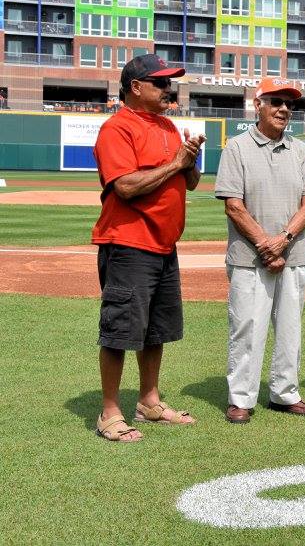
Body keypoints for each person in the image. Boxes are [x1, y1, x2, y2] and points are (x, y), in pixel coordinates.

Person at [91, 54, 203, 442]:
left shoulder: (169, 127)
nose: (168, 90)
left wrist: (189, 160)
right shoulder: (117, 129)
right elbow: (125, 187)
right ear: (136, 87)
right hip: (127, 244)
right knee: (120, 330)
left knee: (156, 330)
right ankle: (109, 412)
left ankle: (149, 401)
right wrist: (175, 163)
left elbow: (191, 183)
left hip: (163, 245)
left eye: (170, 83)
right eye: (160, 83)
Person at [214, 78, 305, 423]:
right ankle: (241, 398)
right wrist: (266, 245)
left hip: (293, 253)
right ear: (257, 105)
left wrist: (283, 240)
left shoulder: (300, 150)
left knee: (290, 330)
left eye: (289, 104)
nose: (283, 109)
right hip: (249, 257)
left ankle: (285, 393)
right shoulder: (237, 148)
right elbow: (234, 206)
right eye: (275, 102)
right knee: (248, 327)